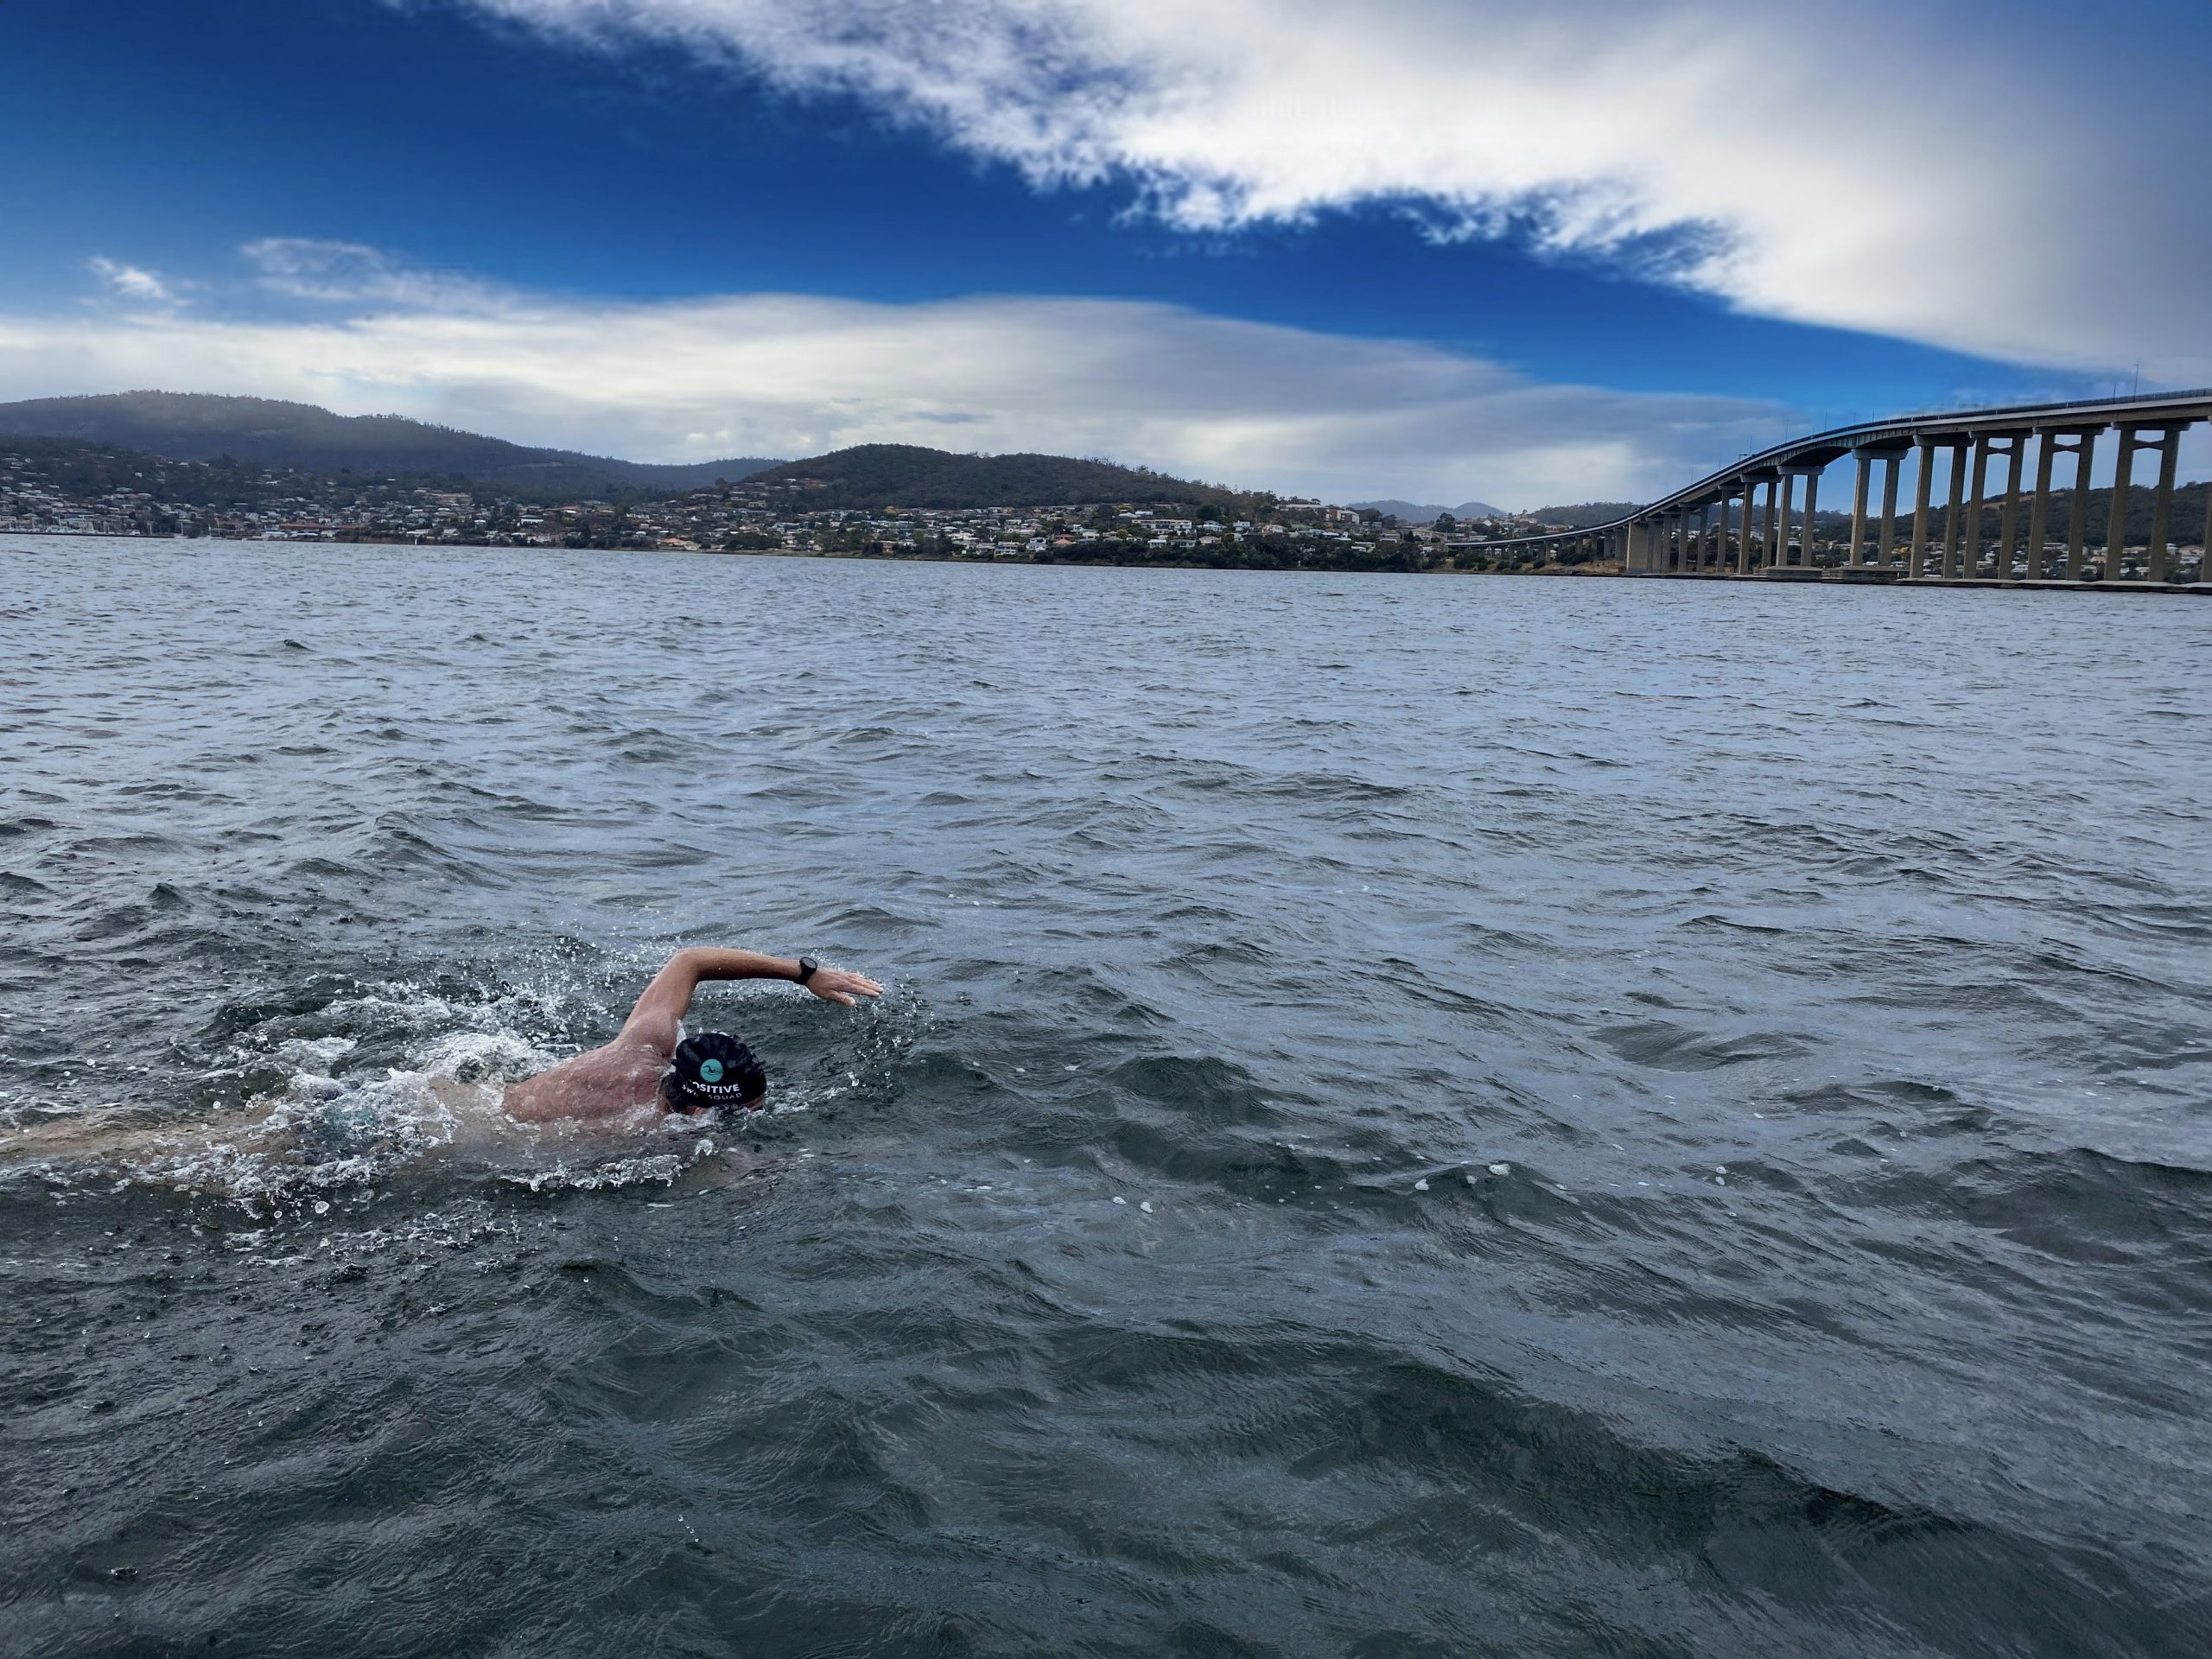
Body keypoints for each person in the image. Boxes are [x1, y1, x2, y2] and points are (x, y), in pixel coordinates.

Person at [502, 947, 881, 1122]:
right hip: (468, 1135)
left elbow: (690, 962)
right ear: (701, 1109)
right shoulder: (635, 1130)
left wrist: (805, 973)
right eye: (749, 1111)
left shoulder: (645, 1044)